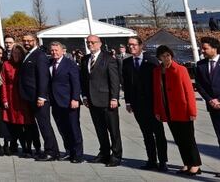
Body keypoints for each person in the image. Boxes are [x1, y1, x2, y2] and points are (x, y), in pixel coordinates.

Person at [153, 45, 201, 175]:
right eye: (163, 56)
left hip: (182, 109)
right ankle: (187, 163)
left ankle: (195, 165)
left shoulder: (181, 69)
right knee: (178, 139)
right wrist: (158, 110)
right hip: (168, 110)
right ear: (159, 58)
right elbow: (157, 93)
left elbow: (189, 92)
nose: (166, 58)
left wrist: (192, 111)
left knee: (189, 138)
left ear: (171, 56)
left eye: (168, 55)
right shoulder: (157, 71)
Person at [122, 35, 167, 171]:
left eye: (134, 44)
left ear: (141, 45)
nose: (131, 47)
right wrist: (128, 102)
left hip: (153, 104)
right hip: (137, 104)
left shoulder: (152, 61)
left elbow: (159, 83)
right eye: (129, 45)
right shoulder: (127, 62)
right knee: (146, 134)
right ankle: (151, 160)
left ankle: (163, 161)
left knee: (158, 134)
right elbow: (126, 84)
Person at [80, 34, 122, 167]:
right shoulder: (85, 59)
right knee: (100, 129)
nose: (90, 45)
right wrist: (85, 96)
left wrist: (114, 97)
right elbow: (84, 80)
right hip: (92, 101)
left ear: (100, 43)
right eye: (88, 42)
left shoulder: (108, 58)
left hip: (107, 100)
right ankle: (104, 153)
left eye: (93, 42)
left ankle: (116, 155)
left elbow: (114, 80)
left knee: (113, 130)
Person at [20, 32, 59, 161]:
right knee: (43, 124)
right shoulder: (29, 54)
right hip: (31, 97)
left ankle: (50, 152)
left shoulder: (40, 56)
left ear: (35, 41)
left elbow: (43, 77)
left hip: (39, 98)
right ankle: (54, 150)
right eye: (24, 40)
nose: (26, 43)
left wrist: (42, 96)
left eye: (29, 40)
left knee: (44, 125)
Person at [47, 41, 83, 163]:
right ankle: (69, 151)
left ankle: (78, 155)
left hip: (69, 102)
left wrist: (75, 98)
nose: (54, 52)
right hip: (55, 103)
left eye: (56, 50)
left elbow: (76, 82)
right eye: (52, 50)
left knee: (74, 128)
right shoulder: (49, 63)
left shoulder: (70, 64)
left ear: (63, 51)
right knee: (62, 129)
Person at [1, 45, 35, 157]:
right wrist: (5, 99)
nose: (16, 55)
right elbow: (4, 83)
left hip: (24, 97)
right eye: (14, 53)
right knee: (14, 123)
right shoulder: (6, 65)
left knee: (27, 122)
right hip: (11, 97)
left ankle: (28, 147)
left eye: (19, 53)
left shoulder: (25, 64)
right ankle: (14, 145)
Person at [194, 36, 220, 153]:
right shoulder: (200, 65)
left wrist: (219, 100)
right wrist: (210, 100)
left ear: (214, 48)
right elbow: (199, 85)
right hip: (213, 107)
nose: (202, 51)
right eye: (201, 48)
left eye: (205, 48)